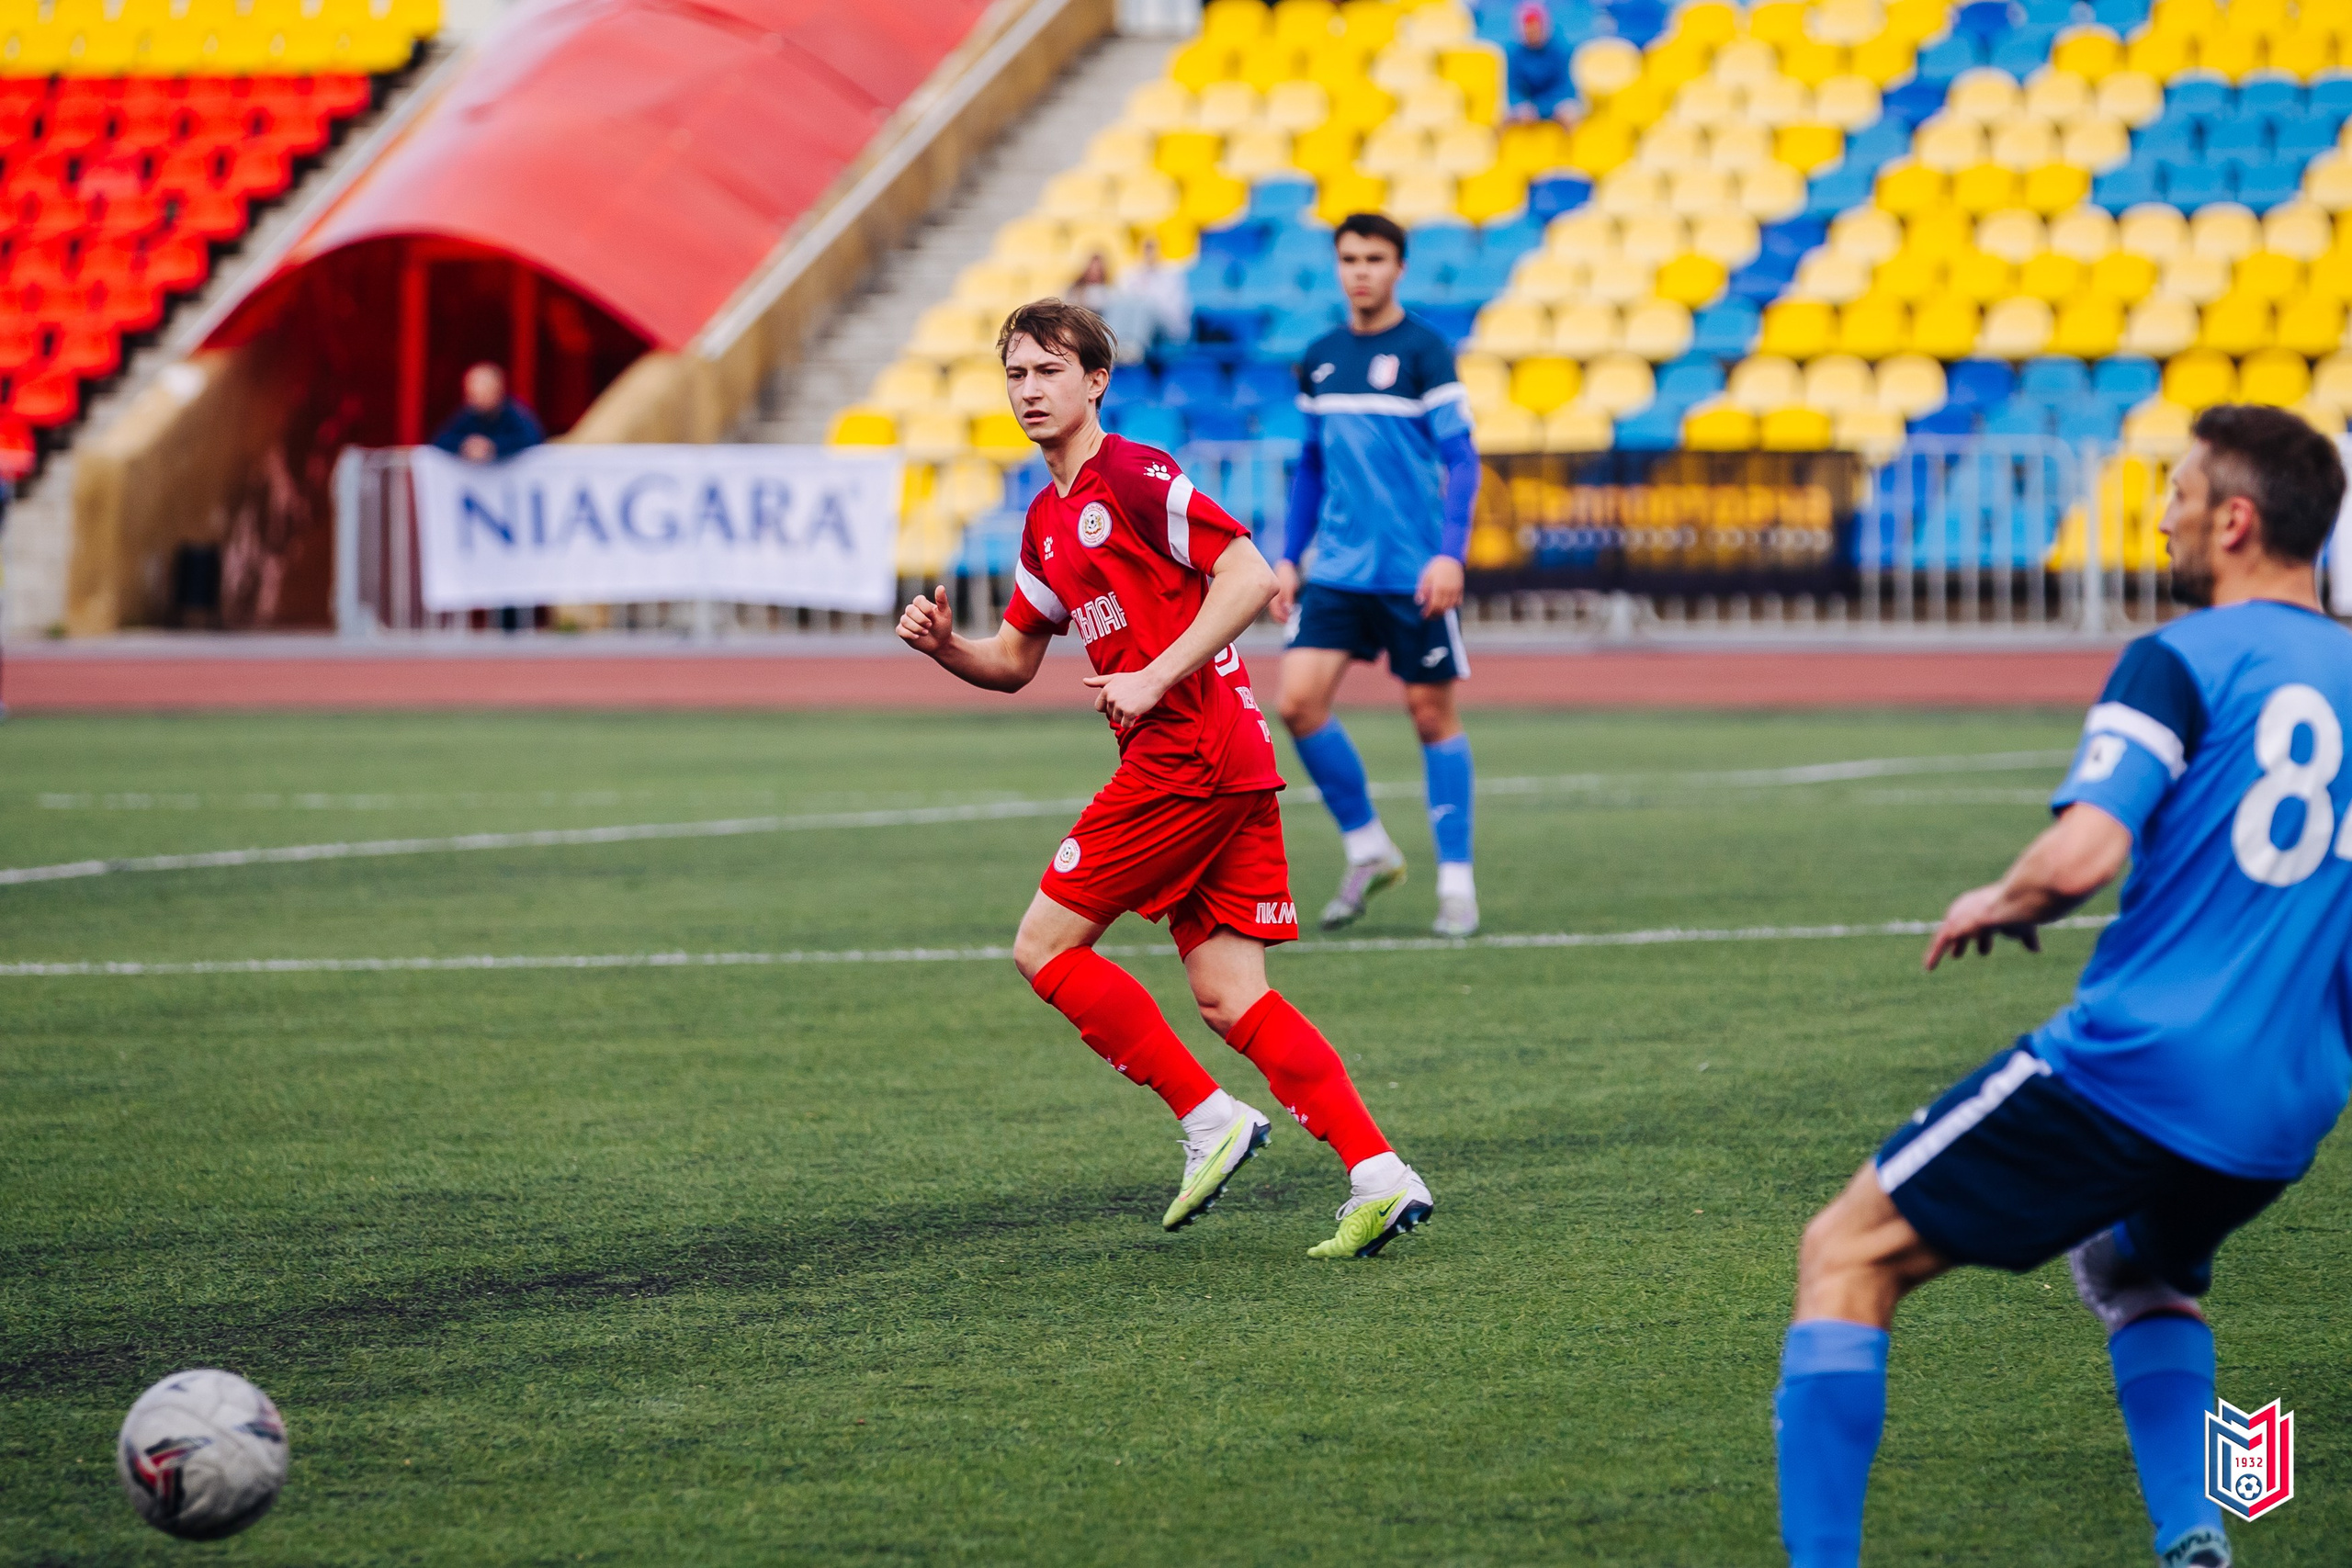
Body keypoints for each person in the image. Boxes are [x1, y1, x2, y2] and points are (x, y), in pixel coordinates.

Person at [1773, 404, 2352, 1568]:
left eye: (2179, 493)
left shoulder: (2178, 657)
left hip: (2143, 1064)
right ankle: (2194, 1532)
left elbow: (2085, 854)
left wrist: (2004, 897)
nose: (2162, 513)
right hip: (2291, 1101)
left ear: (2235, 520)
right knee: (2134, 1265)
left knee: (1844, 1250)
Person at [896, 298, 1434, 1259]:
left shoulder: (1136, 475)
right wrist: (947, 649)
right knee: (1230, 996)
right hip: (1221, 759)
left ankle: (1207, 1119)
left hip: (1187, 752)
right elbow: (1016, 658)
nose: (1029, 389)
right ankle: (1380, 1176)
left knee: (1044, 947)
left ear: (1095, 380)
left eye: (1048, 371)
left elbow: (1250, 574)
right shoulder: (1047, 519)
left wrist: (1152, 672)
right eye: (1016, 374)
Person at [1270, 212, 1484, 938]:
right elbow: (1311, 469)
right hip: (1337, 570)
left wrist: (1449, 552)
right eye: (1350, 258)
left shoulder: (1425, 351)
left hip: (1413, 572)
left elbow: (1461, 459)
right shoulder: (1321, 356)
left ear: (1399, 268)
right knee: (1297, 703)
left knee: (1430, 715)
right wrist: (1289, 556)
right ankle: (1369, 848)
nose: (1360, 270)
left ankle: (1457, 884)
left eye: (1375, 258)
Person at [431, 363, 544, 464]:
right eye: (473, 395)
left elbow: (533, 439)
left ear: (498, 391)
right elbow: (440, 440)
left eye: (483, 395)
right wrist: (464, 445)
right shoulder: (468, 415)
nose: (477, 400)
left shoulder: (516, 414)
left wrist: (494, 447)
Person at [1504, 1, 1579, 126]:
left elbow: (1565, 87)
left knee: (1570, 113)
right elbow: (1513, 88)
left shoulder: (1561, 48)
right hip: (1527, 107)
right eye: (1527, 26)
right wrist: (1522, 105)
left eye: (1535, 25)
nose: (1532, 30)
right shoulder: (1513, 52)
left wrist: (1543, 109)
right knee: (1502, 118)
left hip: (1555, 104)